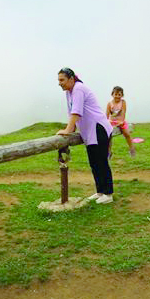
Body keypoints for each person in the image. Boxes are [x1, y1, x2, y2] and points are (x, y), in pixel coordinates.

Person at [56, 67, 114, 204]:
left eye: (62, 80)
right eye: (58, 80)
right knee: (94, 162)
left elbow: (76, 112)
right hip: (89, 131)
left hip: (98, 128)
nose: (59, 83)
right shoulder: (69, 92)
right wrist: (73, 127)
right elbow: (71, 112)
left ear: (71, 79)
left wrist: (68, 130)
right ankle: (100, 191)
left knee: (101, 162)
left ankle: (108, 194)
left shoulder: (78, 89)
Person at [106, 86, 136, 158]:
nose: (117, 96)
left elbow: (123, 113)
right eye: (116, 94)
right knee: (109, 136)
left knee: (127, 133)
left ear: (122, 95)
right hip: (112, 122)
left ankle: (131, 148)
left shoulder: (123, 102)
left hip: (120, 121)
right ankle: (108, 152)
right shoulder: (109, 104)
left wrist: (121, 122)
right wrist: (108, 122)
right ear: (112, 94)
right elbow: (106, 115)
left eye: (119, 94)